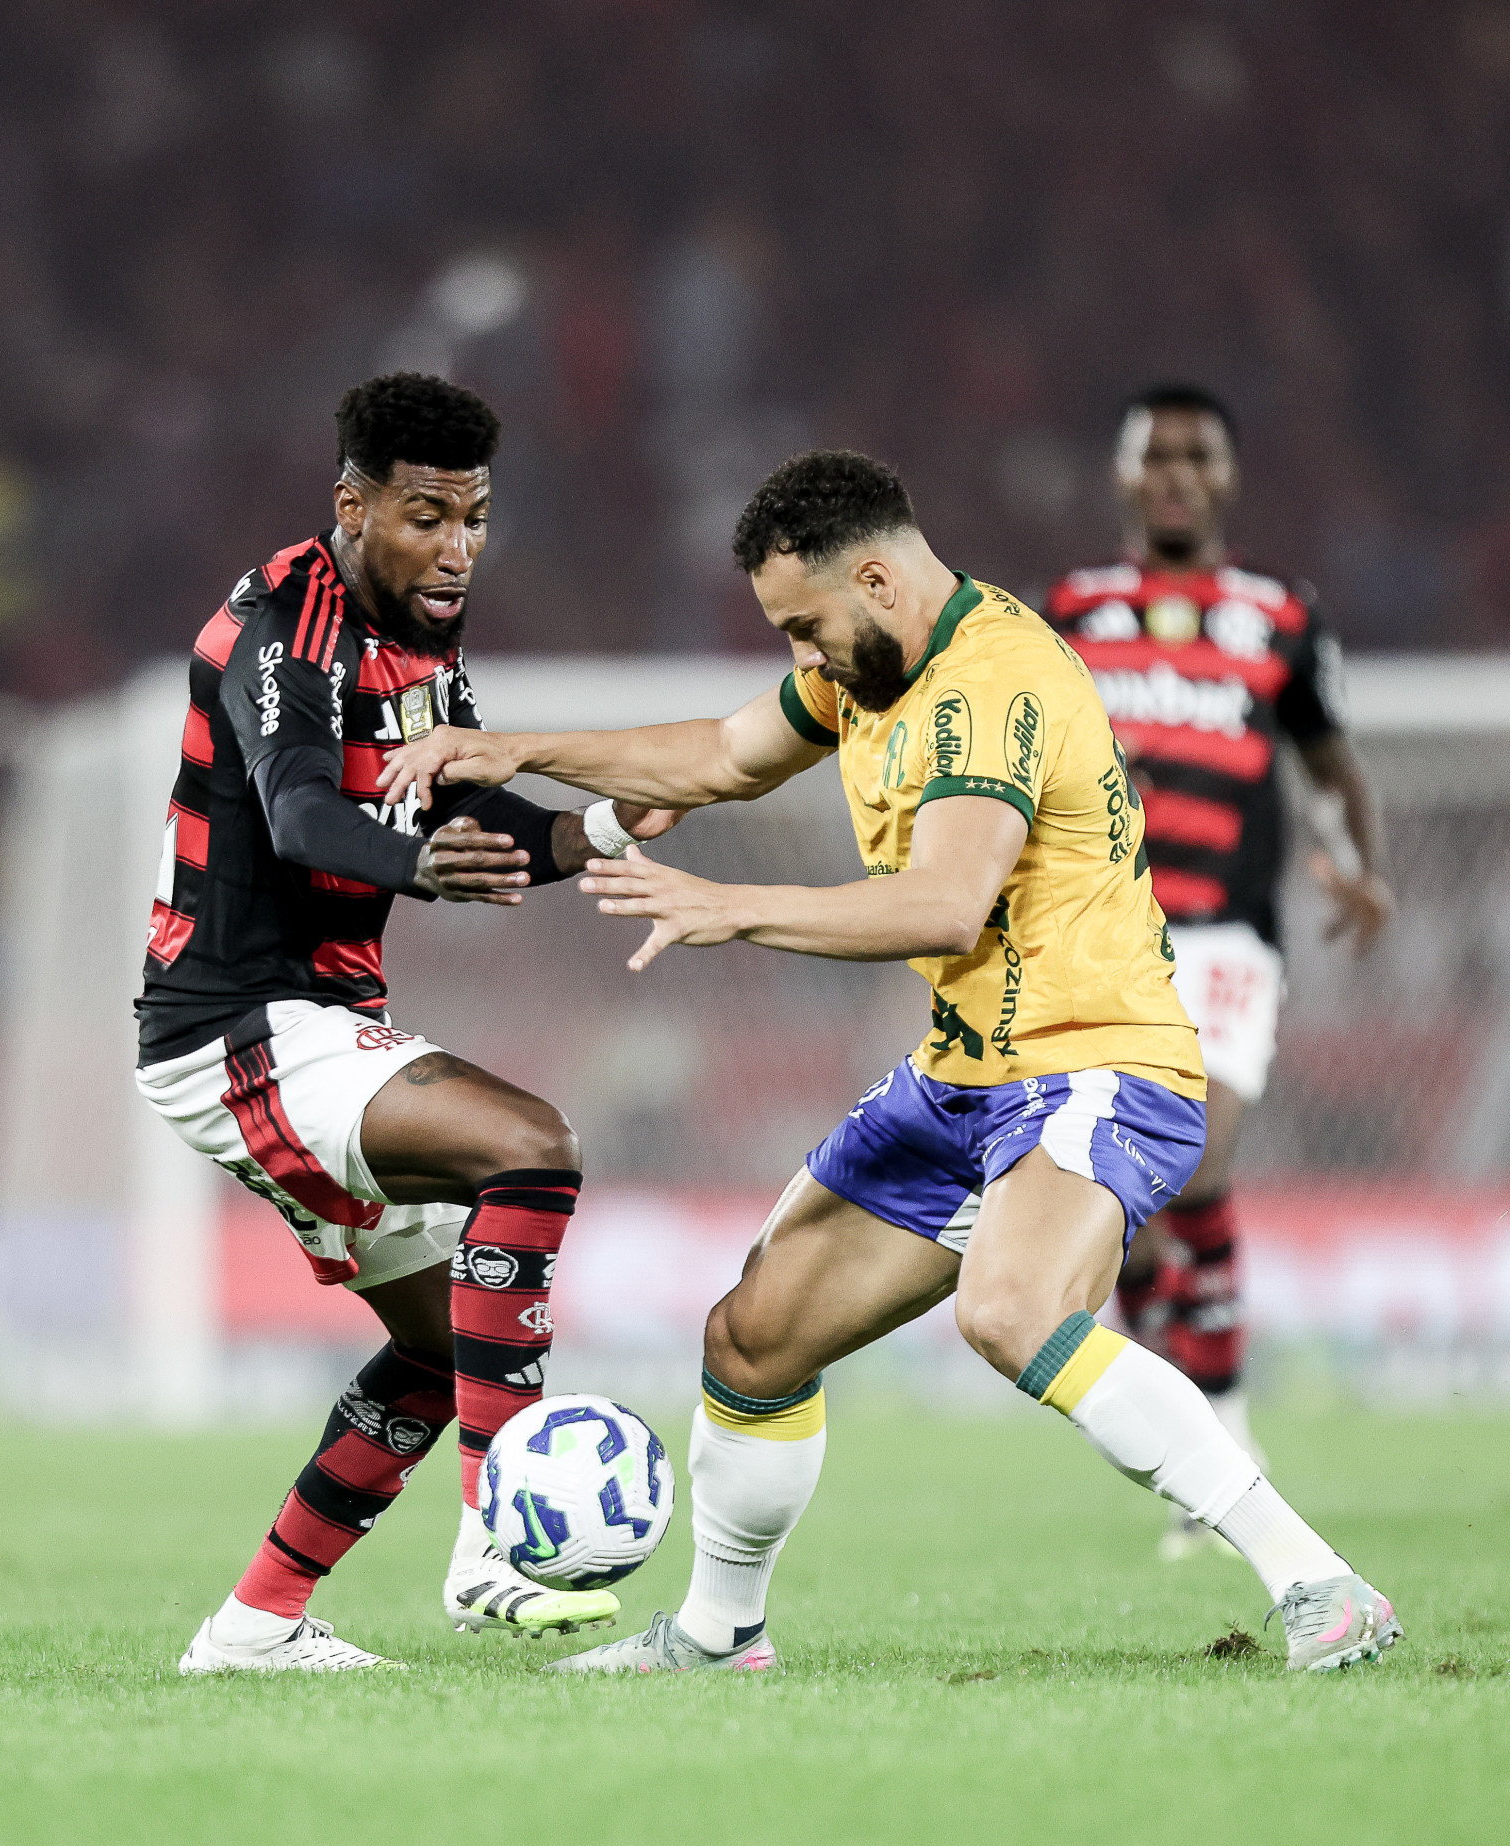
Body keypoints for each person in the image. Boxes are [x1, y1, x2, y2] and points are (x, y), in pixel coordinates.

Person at [380, 448, 1402, 1675]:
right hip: (965, 1076)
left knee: (1016, 1312)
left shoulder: (993, 685)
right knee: (753, 1338)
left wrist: (728, 906)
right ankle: (718, 1636)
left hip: (1096, 1063)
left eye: (806, 627)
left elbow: (943, 908)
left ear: (875, 577)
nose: (801, 658)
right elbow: (714, 755)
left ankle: (1322, 1585)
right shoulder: (868, 670)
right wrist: (511, 751)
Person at [135, 371, 679, 1672]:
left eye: (476, 518)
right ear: (354, 505)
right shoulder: (284, 624)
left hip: (320, 1022)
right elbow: (300, 811)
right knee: (530, 1146)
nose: (457, 548)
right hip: (237, 1023)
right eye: (428, 516)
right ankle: (498, 1539)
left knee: (445, 1351)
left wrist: (608, 825)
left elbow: (470, 829)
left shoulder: (429, 644)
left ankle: (254, 1628)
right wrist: (417, 866)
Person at [1044, 385, 1393, 1557]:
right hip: (1100, 934)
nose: (1178, 474)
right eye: (1159, 454)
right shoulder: (1073, 612)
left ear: (1228, 477)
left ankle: (1226, 1424)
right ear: (1126, 475)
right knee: (1132, 1211)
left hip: (1226, 936)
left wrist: (1358, 861)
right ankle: (1193, 1431)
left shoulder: (1280, 612)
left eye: (1199, 455)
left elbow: (1331, 759)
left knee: (1194, 1166)